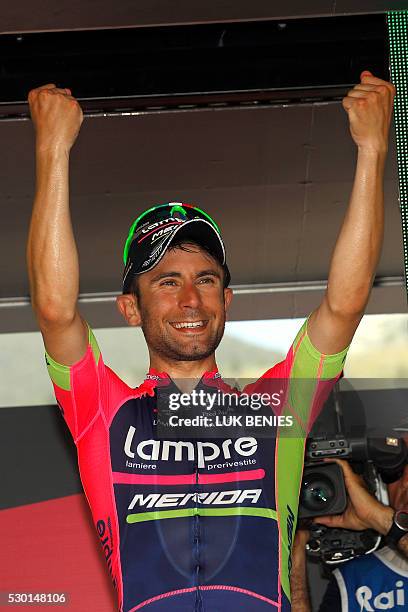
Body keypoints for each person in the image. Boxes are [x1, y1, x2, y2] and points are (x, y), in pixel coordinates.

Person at [26, 71, 395, 612]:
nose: (191, 300)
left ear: (228, 299)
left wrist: (371, 151)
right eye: (167, 283)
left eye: (206, 280)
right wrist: (51, 149)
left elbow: (344, 304)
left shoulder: (275, 411)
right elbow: (56, 312)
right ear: (131, 308)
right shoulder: (102, 414)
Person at [289, 458, 408, 612]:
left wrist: (378, 517)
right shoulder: (355, 578)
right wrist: (294, 546)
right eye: (394, 472)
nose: (405, 482)